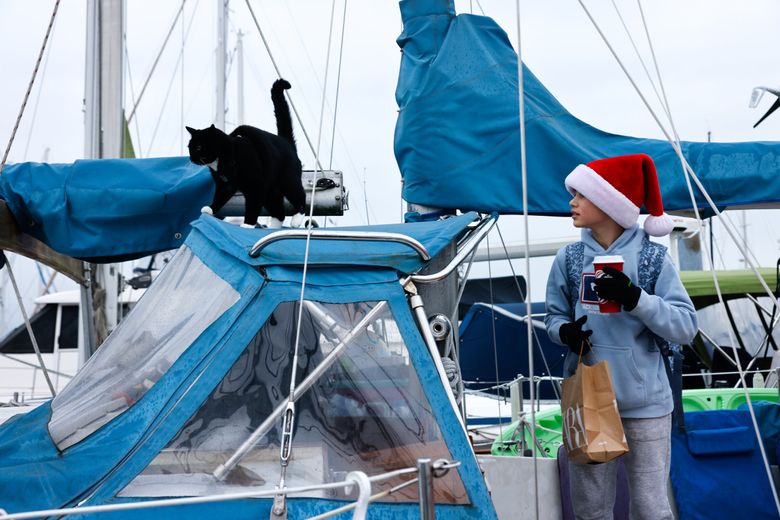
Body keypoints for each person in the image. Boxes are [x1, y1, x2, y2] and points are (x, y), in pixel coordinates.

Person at [545, 154, 698, 520]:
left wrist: (635, 298)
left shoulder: (653, 260)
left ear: (610, 202)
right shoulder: (568, 258)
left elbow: (685, 327)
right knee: (591, 510)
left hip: (647, 406)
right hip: (589, 400)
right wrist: (564, 333)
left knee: (650, 508)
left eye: (581, 194)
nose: (572, 202)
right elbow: (553, 318)